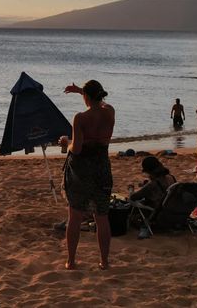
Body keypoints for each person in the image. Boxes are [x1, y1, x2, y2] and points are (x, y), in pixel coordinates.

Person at [58, 80, 115, 270]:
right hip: (102, 167)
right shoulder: (110, 112)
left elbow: (78, 148)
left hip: (81, 170)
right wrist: (81, 91)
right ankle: (104, 262)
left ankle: (71, 261)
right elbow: (101, 102)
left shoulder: (81, 118)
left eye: (83, 95)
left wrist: (66, 142)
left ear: (86, 97)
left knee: (74, 215)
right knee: (102, 216)